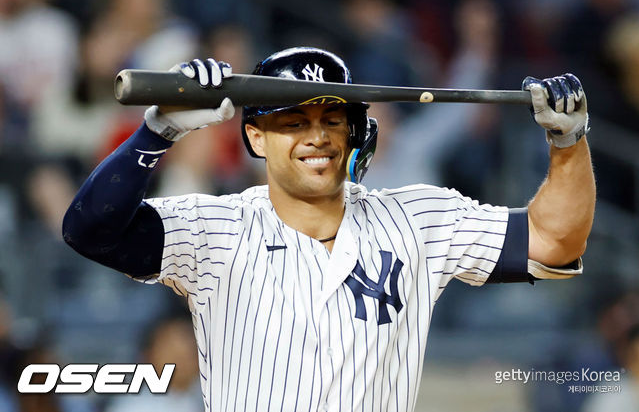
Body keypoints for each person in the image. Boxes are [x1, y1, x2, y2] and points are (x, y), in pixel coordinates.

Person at [62, 47, 595, 412]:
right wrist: (160, 129)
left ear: (356, 130)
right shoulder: (217, 228)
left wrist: (568, 144)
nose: (316, 136)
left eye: (331, 119)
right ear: (255, 137)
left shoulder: (418, 219)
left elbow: (553, 242)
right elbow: (90, 230)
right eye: (293, 122)